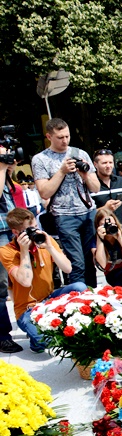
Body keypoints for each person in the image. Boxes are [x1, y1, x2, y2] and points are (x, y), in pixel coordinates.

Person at [0, 208, 86, 353]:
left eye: (35, 227)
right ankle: (36, 339)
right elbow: (25, 282)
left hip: (49, 299)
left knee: (80, 287)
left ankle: (61, 324)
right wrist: (24, 251)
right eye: (29, 230)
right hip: (27, 310)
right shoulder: (6, 251)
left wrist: (50, 247)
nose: (34, 232)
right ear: (15, 232)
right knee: (45, 341)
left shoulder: (45, 240)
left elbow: (67, 269)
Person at [31, 118, 101, 287]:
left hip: (87, 212)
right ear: (49, 136)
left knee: (90, 261)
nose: (65, 141)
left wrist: (84, 175)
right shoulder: (40, 159)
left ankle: (94, 298)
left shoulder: (80, 153)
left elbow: (96, 188)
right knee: (76, 263)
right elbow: (44, 192)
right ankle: (78, 301)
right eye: (60, 137)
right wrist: (61, 171)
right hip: (64, 216)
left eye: (67, 136)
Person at [0, 149, 24, 353]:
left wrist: (7, 167)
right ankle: (2, 336)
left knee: (24, 276)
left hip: (12, 229)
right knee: (1, 287)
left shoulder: (6, 176)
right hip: (0, 232)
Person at [91, 149, 122, 240]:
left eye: (110, 162)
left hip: (118, 231)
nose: (108, 166)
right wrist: (104, 209)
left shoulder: (120, 181)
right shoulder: (90, 185)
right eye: (104, 163)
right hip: (98, 234)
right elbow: (86, 214)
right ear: (95, 165)